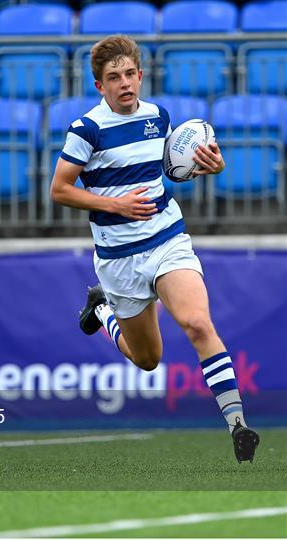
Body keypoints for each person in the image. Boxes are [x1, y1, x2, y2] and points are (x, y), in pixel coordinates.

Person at [50, 35, 259, 463]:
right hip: (118, 259)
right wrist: (114, 204)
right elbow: (59, 190)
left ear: (141, 76)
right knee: (148, 359)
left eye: (130, 74)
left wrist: (207, 167)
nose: (124, 83)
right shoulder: (85, 130)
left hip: (167, 240)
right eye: (114, 77)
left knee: (198, 323)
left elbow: (168, 174)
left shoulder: (158, 117)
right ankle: (103, 310)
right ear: (99, 85)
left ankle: (238, 425)